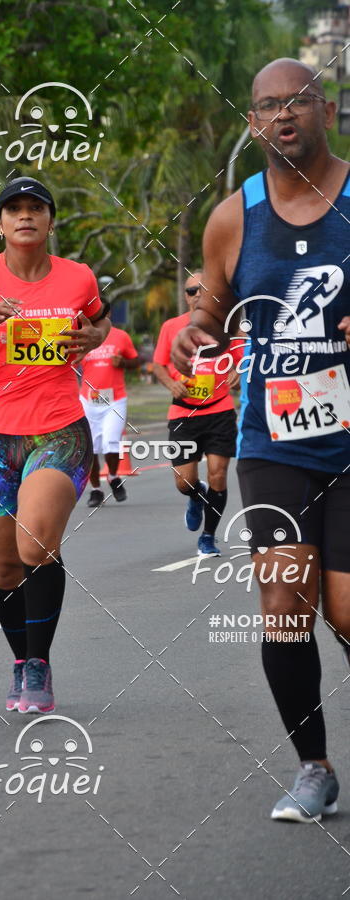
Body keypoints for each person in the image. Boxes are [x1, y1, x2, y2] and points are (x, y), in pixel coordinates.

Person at [172, 58, 350, 823]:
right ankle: (313, 767)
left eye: (299, 102)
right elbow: (211, 312)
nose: (285, 116)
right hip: (273, 436)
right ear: (252, 123)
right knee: (283, 605)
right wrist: (194, 337)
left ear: (327, 109)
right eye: (269, 106)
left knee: (345, 611)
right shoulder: (233, 216)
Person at [0, 176, 110, 714]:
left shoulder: (78, 277)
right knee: (3, 567)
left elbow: (99, 324)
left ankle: (38, 664)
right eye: (14, 209)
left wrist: (93, 339)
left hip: (58, 429)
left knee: (35, 548)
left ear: (51, 220)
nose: (25, 216)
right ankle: (20, 661)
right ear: (1, 224)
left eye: (36, 208)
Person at [154, 272, 243, 557]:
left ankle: (208, 536)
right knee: (184, 481)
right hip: (183, 413)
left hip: (220, 410)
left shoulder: (227, 327)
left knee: (219, 475)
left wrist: (237, 372)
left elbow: (244, 358)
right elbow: (158, 365)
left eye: (203, 289)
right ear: (185, 295)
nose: (197, 295)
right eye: (192, 290)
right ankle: (195, 496)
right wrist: (171, 383)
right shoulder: (171, 327)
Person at [79, 319, 140, 506]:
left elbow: (135, 361)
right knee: (91, 448)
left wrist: (124, 363)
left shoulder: (120, 336)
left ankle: (113, 477)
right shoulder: (80, 335)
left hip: (115, 399)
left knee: (111, 442)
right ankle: (96, 490)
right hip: (88, 400)